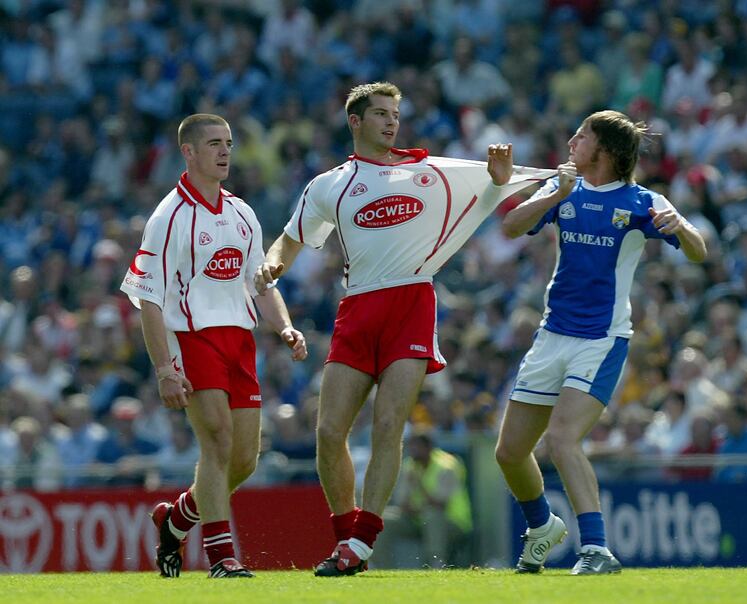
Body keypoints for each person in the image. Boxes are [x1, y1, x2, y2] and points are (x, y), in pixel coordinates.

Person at [255, 82, 552, 577]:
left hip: (412, 301)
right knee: (329, 432)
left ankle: (363, 542)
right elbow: (289, 242)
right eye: (381, 114)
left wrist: (500, 181)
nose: (392, 122)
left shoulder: (425, 171)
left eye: (395, 114)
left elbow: (488, 189)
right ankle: (345, 538)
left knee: (390, 422)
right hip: (357, 308)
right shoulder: (330, 185)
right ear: (356, 121)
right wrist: (271, 267)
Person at [494, 110, 707, 575]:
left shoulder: (640, 200)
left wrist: (680, 226)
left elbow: (698, 252)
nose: (571, 140)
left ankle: (596, 549)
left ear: (606, 150)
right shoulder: (561, 188)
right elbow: (510, 227)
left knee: (563, 438)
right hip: (552, 335)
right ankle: (543, 526)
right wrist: (556, 194)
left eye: (582, 135)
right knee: (509, 452)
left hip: (601, 339)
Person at [120, 113, 308, 579]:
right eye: (214, 144)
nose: (225, 152)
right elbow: (148, 297)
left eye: (228, 143)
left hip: (240, 341)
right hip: (193, 338)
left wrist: (283, 327)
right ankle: (222, 558)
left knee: (243, 459)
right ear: (189, 152)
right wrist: (165, 368)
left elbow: (260, 283)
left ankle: (177, 518)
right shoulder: (168, 217)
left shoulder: (242, 212)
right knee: (218, 443)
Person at [374, 429, 472, 569]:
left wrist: (419, 485)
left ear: (429, 447)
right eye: (411, 446)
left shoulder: (447, 466)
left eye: (417, 446)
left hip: (453, 522)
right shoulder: (410, 465)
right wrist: (408, 501)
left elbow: (439, 506)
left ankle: (435, 564)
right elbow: (402, 504)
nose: (413, 450)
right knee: (383, 519)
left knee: (431, 517)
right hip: (418, 519)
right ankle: (382, 567)